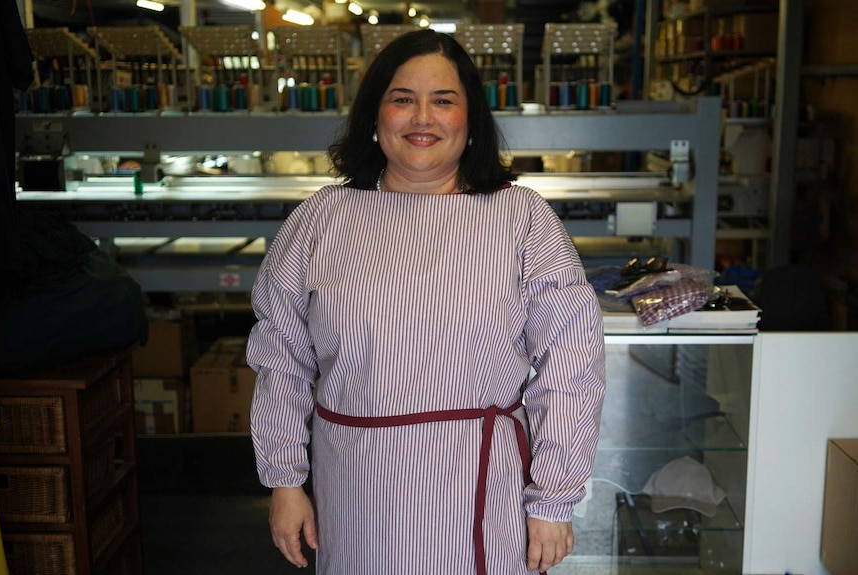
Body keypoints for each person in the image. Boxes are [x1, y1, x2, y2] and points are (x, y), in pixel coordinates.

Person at [247, 29, 606, 575]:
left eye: (443, 101)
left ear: (471, 120)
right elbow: (281, 358)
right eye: (402, 100)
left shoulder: (524, 220)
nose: (422, 118)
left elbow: (573, 365)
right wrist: (285, 481)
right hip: (357, 490)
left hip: (481, 492)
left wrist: (552, 498)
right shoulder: (321, 220)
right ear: (375, 115)